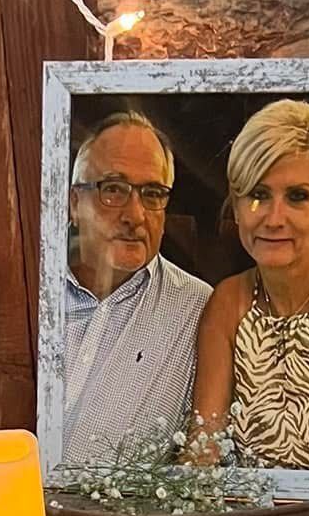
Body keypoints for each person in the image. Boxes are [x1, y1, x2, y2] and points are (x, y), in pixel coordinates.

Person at [189, 99, 309, 471]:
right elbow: (204, 449)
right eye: (258, 195)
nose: (274, 218)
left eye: (297, 196)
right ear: (236, 208)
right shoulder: (228, 302)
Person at [63, 111, 211, 464]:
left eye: (152, 193)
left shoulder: (200, 311)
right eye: (113, 189)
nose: (136, 215)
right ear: (74, 204)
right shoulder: (26, 286)